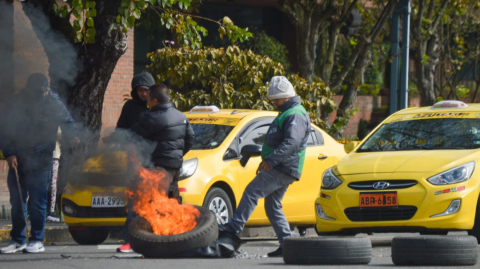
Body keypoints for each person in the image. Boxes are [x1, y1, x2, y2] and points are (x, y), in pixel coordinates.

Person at [219, 76, 311, 257]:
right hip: (284, 167)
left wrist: (271, 161)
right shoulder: (289, 112)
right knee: (272, 206)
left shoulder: (295, 114)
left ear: (285, 96)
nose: (274, 103)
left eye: (275, 99)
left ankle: (234, 228)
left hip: (283, 167)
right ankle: (286, 243)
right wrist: (267, 161)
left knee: (252, 190)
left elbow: (292, 142)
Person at [0, 73, 80, 254]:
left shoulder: (54, 104)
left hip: (41, 159)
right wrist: (9, 153)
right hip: (19, 159)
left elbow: (68, 123)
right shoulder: (17, 103)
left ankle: (36, 240)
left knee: (38, 202)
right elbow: (6, 129)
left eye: (45, 92)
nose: (43, 95)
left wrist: (74, 136)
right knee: (18, 201)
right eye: (39, 92)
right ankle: (18, 240)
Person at [116, 83, 195, 253]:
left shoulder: (152, 117)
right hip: (175, 168)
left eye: (149, 100)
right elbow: (190, 141)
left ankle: (131, 242)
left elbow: (131, 136)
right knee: (171, 204)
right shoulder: (181, 116)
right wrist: (176, 156)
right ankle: (173, 241)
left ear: (155, 100)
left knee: (141, 204)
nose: (148, 103)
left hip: (156, 169)